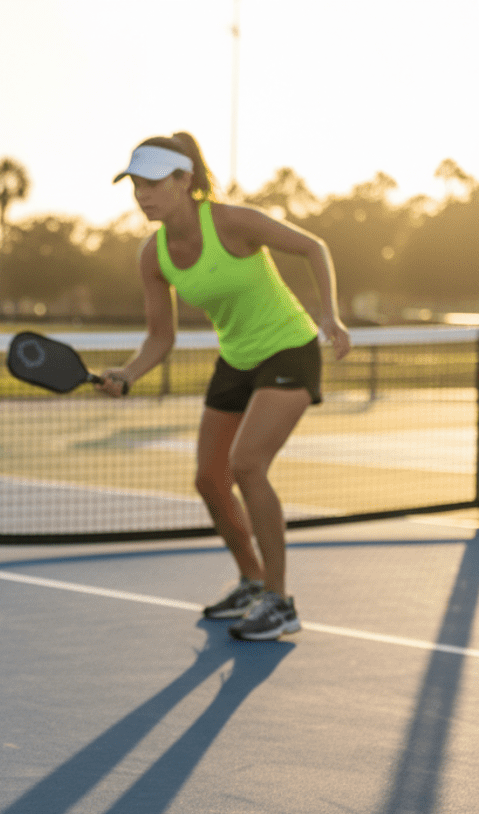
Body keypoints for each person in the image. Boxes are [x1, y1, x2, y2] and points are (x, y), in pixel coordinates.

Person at [100, 132, 351, 640]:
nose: (142, 195)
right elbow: (160, 337)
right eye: (135, 186)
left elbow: (312, 247)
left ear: (183, 180)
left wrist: (330, 314)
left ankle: (280, 602)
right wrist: (128, 373)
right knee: (210, 479)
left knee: (246, 464)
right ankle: (252, 580)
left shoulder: (231, 222)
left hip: (289, 348)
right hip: (236, 360)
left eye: (151, 183)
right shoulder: (153, 255)